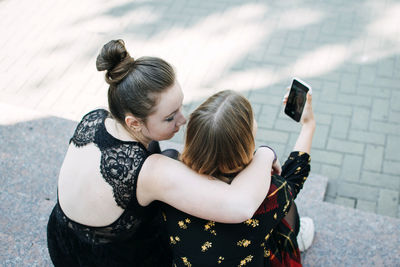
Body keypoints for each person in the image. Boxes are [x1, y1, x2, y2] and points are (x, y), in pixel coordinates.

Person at [46, 40, 278, 266]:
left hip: (62, 240)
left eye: (180, 106)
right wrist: (266, 154)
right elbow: (241, 206)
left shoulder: (94, 118)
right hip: (109, 259)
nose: (183, 119)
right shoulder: (152, 171)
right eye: (170, 117)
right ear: (134, 123)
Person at [162, 89, 316, 266]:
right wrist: (308, 124)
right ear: (247, 138)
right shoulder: (269, 192)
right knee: (285, 201)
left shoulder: (169, 173)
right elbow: (295, 175)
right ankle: (297, 238)